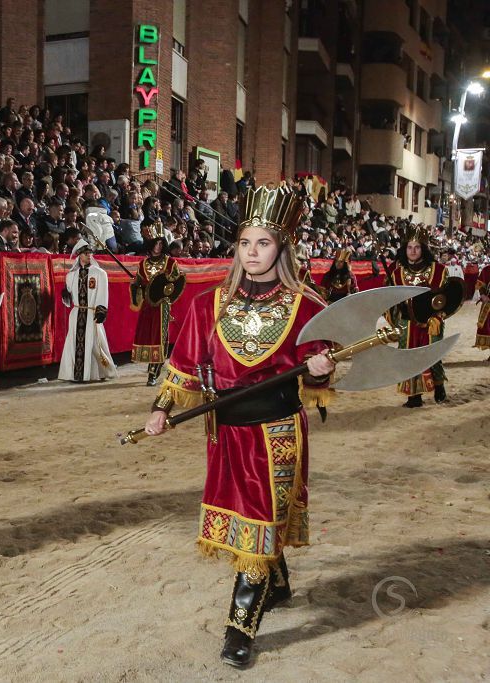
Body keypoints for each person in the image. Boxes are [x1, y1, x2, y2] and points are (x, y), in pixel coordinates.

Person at [142, 186, 336, 668]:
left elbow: (320, 367)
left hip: (277, 434)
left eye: (263, 243)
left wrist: (322, 369)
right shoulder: (209, 303)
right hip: (225, 430)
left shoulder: (306, 304)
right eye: (245, 243)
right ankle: (280, 582)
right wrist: (162, 407)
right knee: (251, 519)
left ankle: (239, 628)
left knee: (262, 517)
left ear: (282, 248)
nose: (252, 253)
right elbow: (184, 364)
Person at [385, 225, 449, 407]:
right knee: (408, 357)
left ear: (423, 249)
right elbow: (389, 302)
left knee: (433, 355)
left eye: (417, 247)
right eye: (409, 247)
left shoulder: (439, 270)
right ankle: (414, 396)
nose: (413, 251)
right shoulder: (397, 274)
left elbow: (447, 298)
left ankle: (439, 386)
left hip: (431, 321)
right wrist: (394, 317)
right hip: (407, 322)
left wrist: (439, 316)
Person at [130, 223, 183, 384]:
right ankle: (152, 363)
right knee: (148, 335)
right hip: (147, 305)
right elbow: (138, 282)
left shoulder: (170, 263)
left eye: (161, 243)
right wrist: (135, 286)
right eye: (156, 243)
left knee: (160, 336)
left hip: (162, 306)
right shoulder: (143, 264)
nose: (158, 246)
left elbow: (176, 283)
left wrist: (166, 292)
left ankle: (154, 370)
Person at [58, 239, 117, 382]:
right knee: (75, 344)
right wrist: (65, 294)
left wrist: (102, 310)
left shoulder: (100, 273)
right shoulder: (71, 275)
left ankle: (103, 371)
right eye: (85, 253)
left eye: (90, 253)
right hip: (77, 313)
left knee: (96, 344)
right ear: (79, 255)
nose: (89, 255)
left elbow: (103, 293)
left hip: (92, 313)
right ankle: (75, 374)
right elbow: (68, 300)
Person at [475, 263, 490, 359]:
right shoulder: (487, 270)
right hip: (489, 305)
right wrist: (483, 295)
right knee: (488, 328)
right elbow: (481, 286)